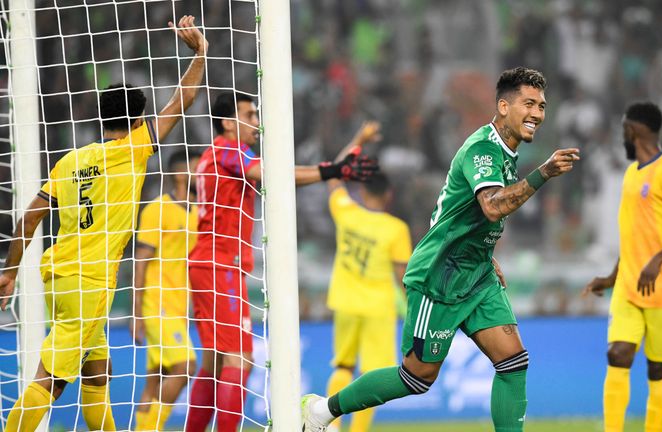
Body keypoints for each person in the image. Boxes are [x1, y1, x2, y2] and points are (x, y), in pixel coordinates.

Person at [302, 67, 581, 432]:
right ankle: (322, 411)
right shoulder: (483, 149)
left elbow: (457, 213)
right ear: (502, 106)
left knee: (513, 362)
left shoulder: (504, 152)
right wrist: (543, 172)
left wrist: (484, 251)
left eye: (542, 106)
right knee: (417, 377)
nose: (537, 114)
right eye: (528, 103)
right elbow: (493, 206)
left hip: (476, 272)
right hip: (440, 276)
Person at [0, 15, 207, 431]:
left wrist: (9, 272)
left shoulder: (70, 160)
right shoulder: (133, 150)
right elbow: (182, 100)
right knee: (52, 379)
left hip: (57, 275)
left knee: (99, 372)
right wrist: (200, 54)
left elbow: (30, 216)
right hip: (91, 281)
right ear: (136, 121)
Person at [184, 92, 378, 432]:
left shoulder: (215, 155)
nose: (257, 123)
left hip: (208, 264)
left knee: (213, 363)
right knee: (239, 360)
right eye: (250, 115)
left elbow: (284, 174)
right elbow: (271, 174)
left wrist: (338, 163)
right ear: (228, 123)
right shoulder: (230, 150)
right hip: (220, 266)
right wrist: (332, 169)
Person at [582, 102, 662, 432]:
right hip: (629, 287)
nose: (622, 137)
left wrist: (657, 260)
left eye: (624, 130)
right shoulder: (631, 174)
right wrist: (612, 276)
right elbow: (634, 236)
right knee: (618, 354)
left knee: (658, 370)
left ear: (632, 131)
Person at [324, 123, 413, 432]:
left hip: (345, 300)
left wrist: (357, 140)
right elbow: (403, 275)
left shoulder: (347, 213)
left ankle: (329, 424)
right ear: (388, 195)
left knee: (343, 365)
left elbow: (333, 174)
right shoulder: (395, 229)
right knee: (375, 373)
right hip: (378, 306)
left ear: (362, 190)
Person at [131, 149, 201, 431]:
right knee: (186, 367)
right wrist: (136, 312)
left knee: (155, 377)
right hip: (155, 302)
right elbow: (140, 261)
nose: (204, 173)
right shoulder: (157, 209)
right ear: (180, 173)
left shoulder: (200, 212)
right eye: (199, 168)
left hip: (178, 306)